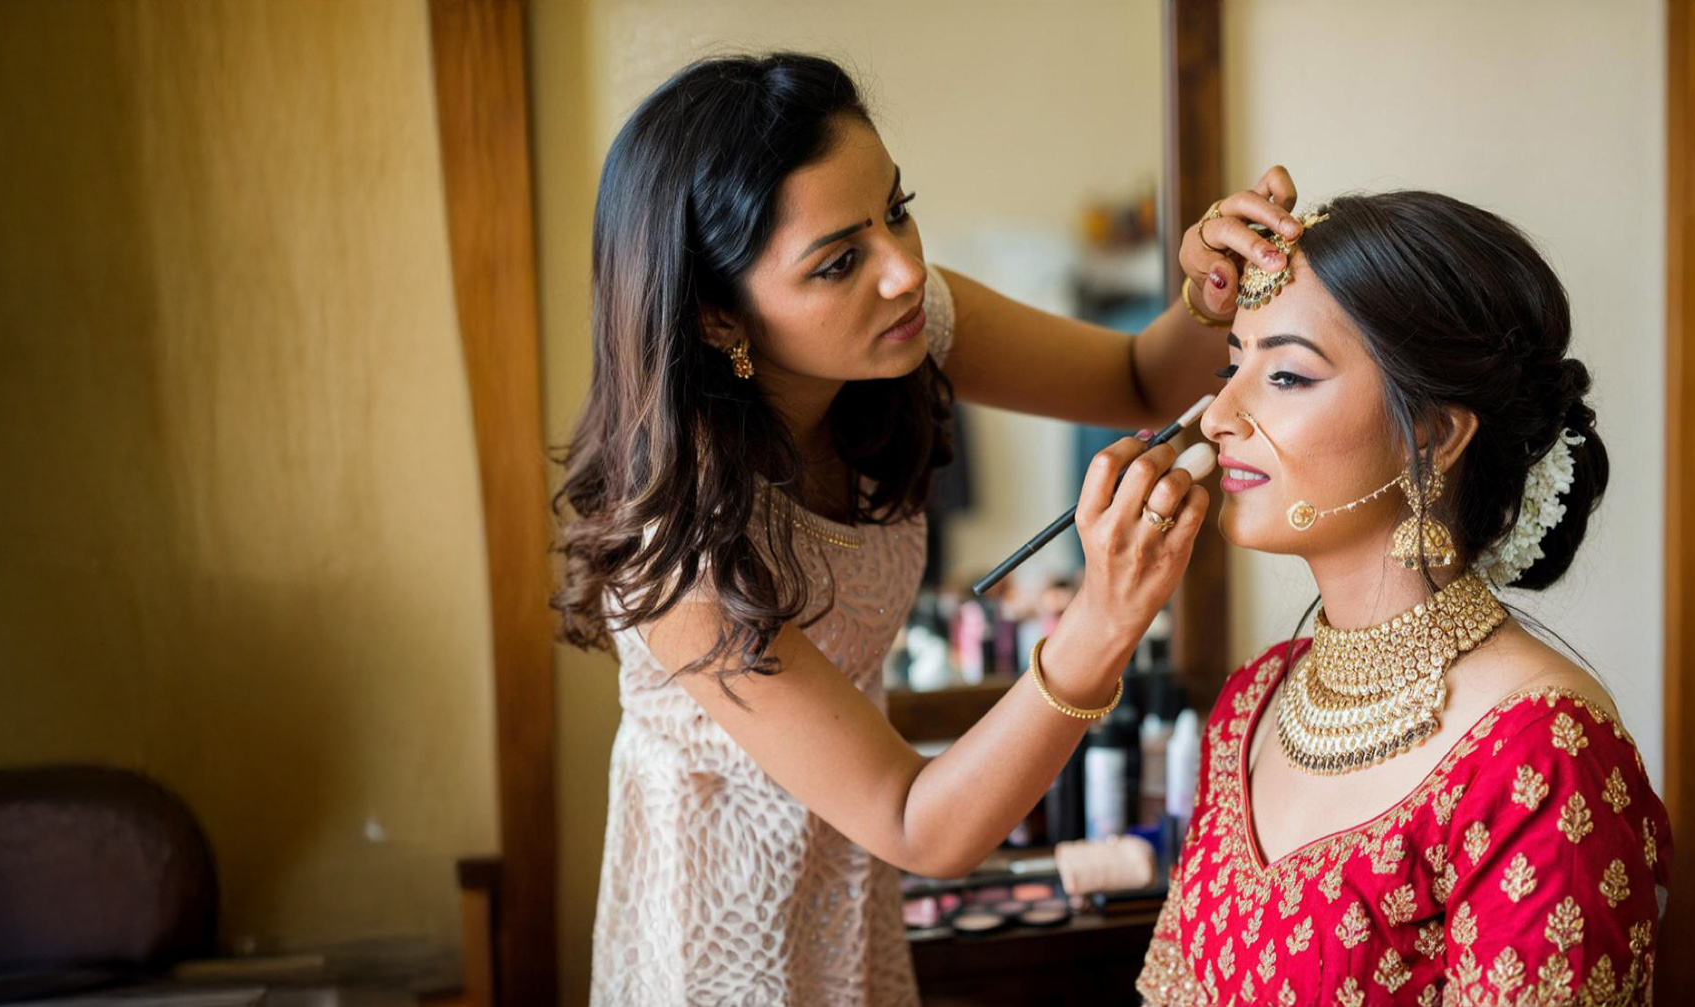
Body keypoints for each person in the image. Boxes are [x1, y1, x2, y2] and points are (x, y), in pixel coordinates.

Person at [549, 53, 1301, 1006]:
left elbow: (1142, 383)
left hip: (855, 890)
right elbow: (921, 824)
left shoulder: (906, 317)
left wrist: (1210, 287)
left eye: (895, 209)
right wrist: (1105, 617)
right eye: (838, 262)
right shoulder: (683, 554)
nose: (905, 271)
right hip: (716, 939)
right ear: (712, 315)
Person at [1136, 191, 1670, 1007]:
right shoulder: (1252, 704)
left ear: (1435, 433)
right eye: (1229, 366)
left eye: (1284, 373)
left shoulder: (1542, 755)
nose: (1219, 417)